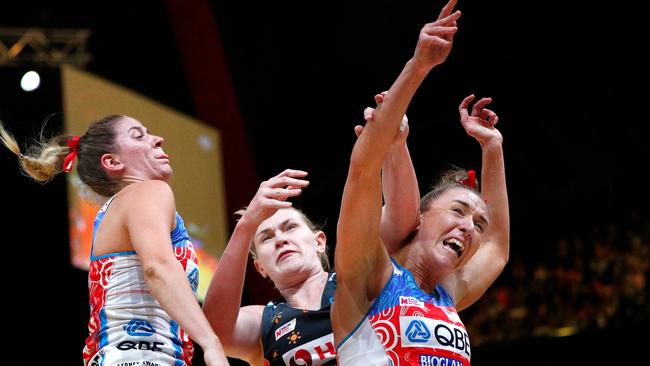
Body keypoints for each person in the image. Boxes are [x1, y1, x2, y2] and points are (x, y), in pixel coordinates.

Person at [332, 0, 510, 364]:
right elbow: (363, 170)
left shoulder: (450, 292)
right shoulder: (369, 272)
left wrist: (493, 149)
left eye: (477, 224)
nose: (469, 228)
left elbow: (497, 247)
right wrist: (419, 66)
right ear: (421, 216)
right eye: (458, 210)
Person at [202, 98, 419, 365]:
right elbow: (214, 333)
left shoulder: (358, 276)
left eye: (290, 227)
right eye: (266, 238)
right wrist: (246, 226)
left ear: (319, 241)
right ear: (260, 268)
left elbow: (402, 221)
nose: (280, 240)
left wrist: (395, 146)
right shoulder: (264, 322)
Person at [0, 115, 229, 366]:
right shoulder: (148, 191)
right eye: (138, 135)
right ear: (112, 161)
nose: (158, 139)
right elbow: (157, 268)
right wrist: (210, 343)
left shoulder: (119, 209)